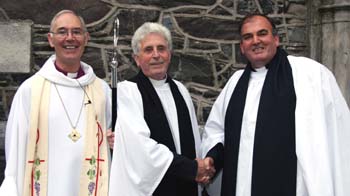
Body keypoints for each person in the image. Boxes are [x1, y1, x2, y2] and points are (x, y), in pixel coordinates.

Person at [201, 13, 350, 196]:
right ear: (242, 47)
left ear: (276, 39)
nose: (255, 41)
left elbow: (337, 131)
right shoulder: (235, 84)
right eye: (248, 37)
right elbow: (217, 131)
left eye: (262, 33)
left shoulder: (310, 76)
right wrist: (212, 158)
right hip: (242, 187)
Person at [0, 10, 112, 196]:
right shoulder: (30, 90)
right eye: (62, 31)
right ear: (51, 39)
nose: (70, 38)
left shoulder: (102, 91)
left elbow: (113, 140)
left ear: (86, 38)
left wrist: (115, 140)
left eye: (76, 32)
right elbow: (15, 150)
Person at [108, 22, 214, 196]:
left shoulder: (180, 90)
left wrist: (201, 168)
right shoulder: (128, 91)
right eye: (148, 50)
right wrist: (191, 168)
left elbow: (195, 140)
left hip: (187, 186)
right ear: (136, 58)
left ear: (169, 55)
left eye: (161, 49)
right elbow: (141, 148)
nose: (156, 55)